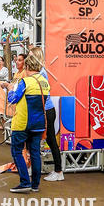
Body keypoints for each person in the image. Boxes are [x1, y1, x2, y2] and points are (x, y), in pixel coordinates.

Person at [6, 49, 50, 192]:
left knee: (17, 151)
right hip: (38, 124)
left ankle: (25, 182)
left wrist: (10, 88)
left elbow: (12, 99)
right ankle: (35, 185)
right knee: (35, 153)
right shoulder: (44, 82)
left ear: (27, 67)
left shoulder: (26, 82)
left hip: (22, 123)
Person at [30, 46, 64, 182]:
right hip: (42, 110)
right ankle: (36, 167)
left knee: (50, 139)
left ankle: (58, 170)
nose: (28, 56)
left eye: (31, 55)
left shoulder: (41, 72)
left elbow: (42, 94)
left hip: (46, 111)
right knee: (37, 139)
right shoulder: (37, 71)